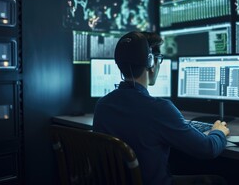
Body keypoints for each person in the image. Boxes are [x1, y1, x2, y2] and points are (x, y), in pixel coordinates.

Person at [93, 31, 230, 185]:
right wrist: (219, 131)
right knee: (217, 181)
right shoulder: (159, 109)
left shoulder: (102, 105)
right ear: (151, 63)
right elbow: (208, 149)